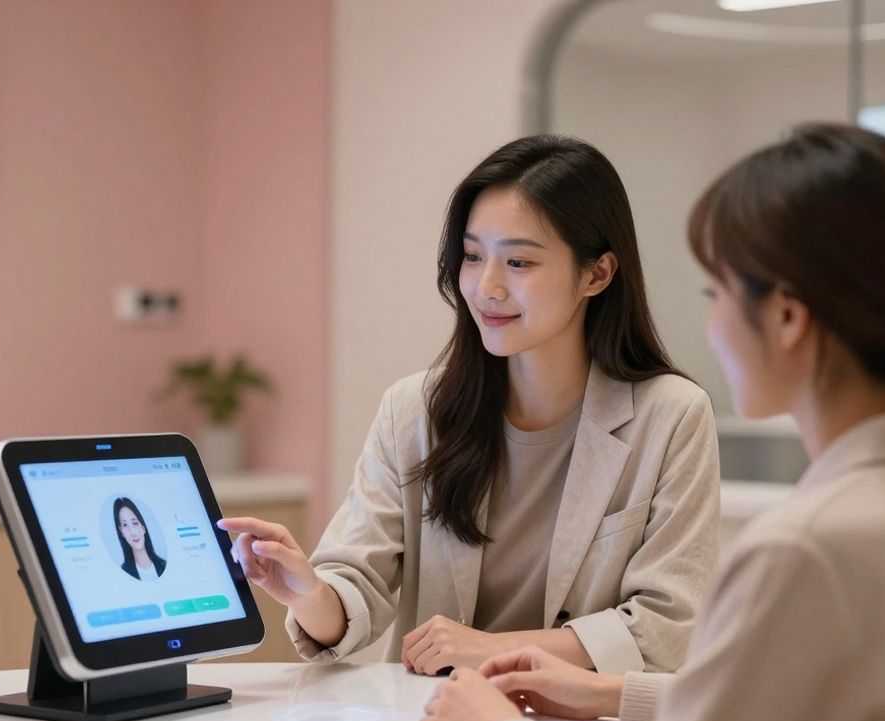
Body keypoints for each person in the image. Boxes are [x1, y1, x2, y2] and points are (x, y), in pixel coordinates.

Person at [419, 123, 885, 721]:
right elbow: (792, 700)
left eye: (716, 293)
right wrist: (609, 692)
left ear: (787, 318)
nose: (711, 326)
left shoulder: (807, 551)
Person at [218, 135, 720, 676]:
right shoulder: (413, 410)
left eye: (520, 262)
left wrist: (492, 649)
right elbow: (354, 587)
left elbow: (668, 627)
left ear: (596, 274)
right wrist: (308, 592)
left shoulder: (672, 415)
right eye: (473, 256)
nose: (487, 287)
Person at [114, 497, 166, 581]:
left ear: (143, 528)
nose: (133, 532)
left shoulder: (163, 565)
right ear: (121, 532)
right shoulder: (122, 574)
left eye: (135, 523)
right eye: (125, 525)